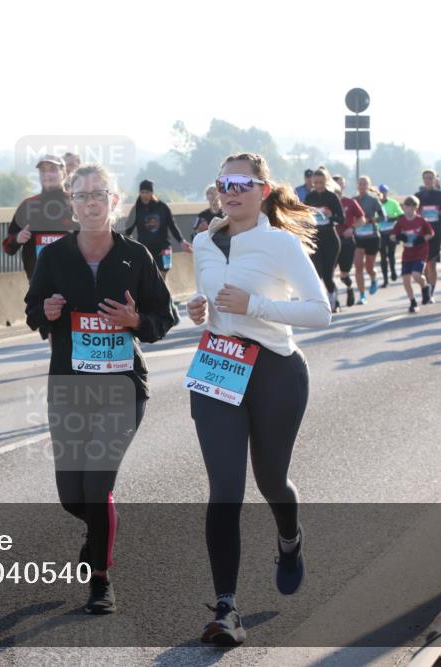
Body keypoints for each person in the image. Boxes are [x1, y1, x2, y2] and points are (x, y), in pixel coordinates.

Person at [186, 152, 330, 645]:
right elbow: (208, 296)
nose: (231, 190)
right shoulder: (204, 241)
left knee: (271, 482)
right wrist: (200, 308)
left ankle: (289, 540)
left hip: (274, 371)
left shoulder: (280, 244)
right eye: (224, 181)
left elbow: (320, 312)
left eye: (242, 183)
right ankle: (226, 608)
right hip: (218, 367)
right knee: (225, 489)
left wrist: (256, 306)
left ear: (263, 191)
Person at [25, 163, 175, 615]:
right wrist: (46, 312)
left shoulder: (136, 257)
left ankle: (101, 581)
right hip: (70, 387)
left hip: (122, 387)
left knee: (97, 484)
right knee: (73, 495)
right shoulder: (54, 258)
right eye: (82, 195)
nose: (90, 202)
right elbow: (33, 310)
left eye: (99, 194)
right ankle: (99, 529)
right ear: (70, 205)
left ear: (115, 202)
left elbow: (163, 318)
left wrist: (135, 322)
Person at [2, 155, 75, 280]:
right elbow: (8, 247)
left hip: (73, 280)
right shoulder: (27, 206)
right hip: (39, 284)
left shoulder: (76, 203)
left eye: (52, 169)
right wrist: (17, 238)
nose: (47, 174)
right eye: (43, 171)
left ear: (64, 174)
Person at [124, 179, 192, 275]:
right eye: (142, 192)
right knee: (150, 276)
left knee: (164, 274)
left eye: (147, 192)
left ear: (152, 193)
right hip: (146, 250)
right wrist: (128, 246)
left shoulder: (162, 207)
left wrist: (182, 241)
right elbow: (128, 230)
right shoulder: (137, 209)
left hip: (164, 248)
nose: (144, 195)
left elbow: (172, 226)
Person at [304, 167, 343, 312]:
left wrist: (330, 216)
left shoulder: (332, 197)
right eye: (316, 183)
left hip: (331, 240)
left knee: (327, 275)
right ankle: (320, 303)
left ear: (326, 182)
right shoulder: (310, 197)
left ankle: (333, 298)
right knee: (316, 273)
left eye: (321, 182)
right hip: (316, 240)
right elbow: (305, 216)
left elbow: (341, 219)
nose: (318, 185)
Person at [389, 196, 435, 313]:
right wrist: (399, 237)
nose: (407, 209)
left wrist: (422, 239)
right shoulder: (401, 221)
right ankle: (413, 302)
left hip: (420, 252)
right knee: (405, 280)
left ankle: (425, 287)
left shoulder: (421, 221)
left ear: (415, 207)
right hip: (407, 253)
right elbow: (392, 236)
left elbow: (431, 233)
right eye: (405, 206)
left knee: (416, 275)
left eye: (410, 206)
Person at [415, 170, 441, 301]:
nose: (428, 180)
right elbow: (413, 213)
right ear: (423, 180)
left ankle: (431, 291)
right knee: (423, 263)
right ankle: (426, 289)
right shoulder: (418, 196)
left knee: (432, 263)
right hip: (422, 233)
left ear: (435, 179)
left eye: (431, 178)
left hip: (436, 231)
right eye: (426, 178)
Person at [332, 175, 366, 305]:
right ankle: (334, 300)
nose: (337, 186)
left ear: (343, 186)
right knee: (328, 274)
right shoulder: (326, 203)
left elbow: (362, 219)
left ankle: (349, 287)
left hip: (346, 242)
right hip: (331, 242)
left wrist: (352, 228)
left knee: (344, 274)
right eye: (335, 184)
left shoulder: (350, 202)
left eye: (340, 184)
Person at [353, 176, 386, 301]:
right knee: (358, 266)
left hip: (372, 237)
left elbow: (384, 217)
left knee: (369, 267)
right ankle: (362, 295)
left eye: (364, 184)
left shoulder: (373, 200)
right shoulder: (353, 200)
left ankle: (373, 277)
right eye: (360, 183)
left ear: (368, 186)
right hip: (358, 237)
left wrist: (372, 220)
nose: (362, 186)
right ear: (357, 186)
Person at [376, 184, 404, 287]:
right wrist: (378, 219)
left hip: (392, 232)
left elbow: (401, 215)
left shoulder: (393, 203)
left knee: (391, 254)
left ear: (386, 193)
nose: (382, 194)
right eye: (380, 193)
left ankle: (393, 271)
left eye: (384, 192)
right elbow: (373, 218)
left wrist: (392, 218)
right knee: (383, 256)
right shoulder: (376, 204)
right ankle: (385, 280)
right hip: (381, 232)